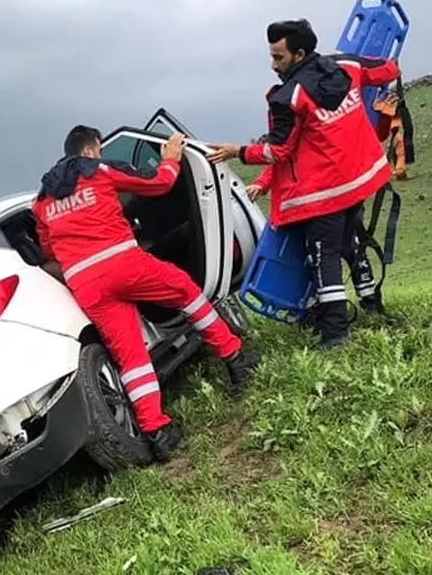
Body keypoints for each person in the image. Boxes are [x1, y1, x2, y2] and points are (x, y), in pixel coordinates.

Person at [33, 126, 261, 461]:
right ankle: (236, 358)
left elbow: (49, 250)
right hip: (123, 262)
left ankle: (157, 433)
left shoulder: (42, 199)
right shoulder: (98, 170)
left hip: (86, 284)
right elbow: (160, 184)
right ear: (91, 150)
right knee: (187, 291)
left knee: (130, 357)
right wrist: (170, 159)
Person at [207, 19, 402, 348]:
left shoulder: (288, 97)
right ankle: (371, 304)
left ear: (299, 54)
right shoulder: (347, 65)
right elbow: (389, 69)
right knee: (349, 244)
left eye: (279, 57)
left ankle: (336, 334)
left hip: (324, 193)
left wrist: (237, 151)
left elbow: (278, 151)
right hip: (360, 180)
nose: (273, 65)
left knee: (323, 257)